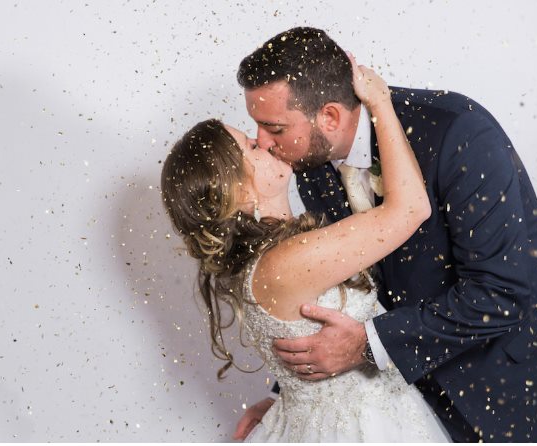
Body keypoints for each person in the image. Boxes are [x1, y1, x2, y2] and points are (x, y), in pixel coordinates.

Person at [234, 26, 537, 442]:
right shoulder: (311, 164)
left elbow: (500, 290)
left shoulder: (457, 132)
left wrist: (366, 345)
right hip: (432, 382)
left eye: (275, 128)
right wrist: (298, 398)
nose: (262, 142)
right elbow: (341, 289)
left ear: (330, 116)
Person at [161, 61, 450, 442]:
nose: (264, 141)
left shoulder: (269, 259)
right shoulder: (287, 261)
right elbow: (410, 210)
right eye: (250, 145)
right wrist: (380, 104)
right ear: (240, 193)